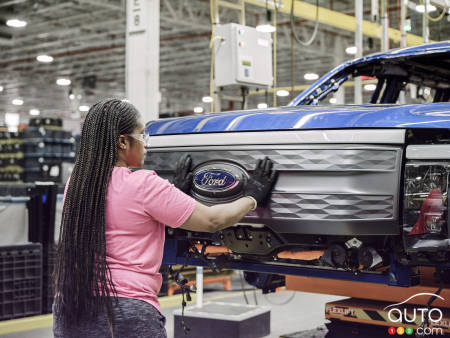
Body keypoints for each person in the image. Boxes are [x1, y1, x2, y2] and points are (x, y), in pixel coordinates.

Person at [52, 98, 277, 338]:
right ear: (122, 142)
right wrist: (252, 196)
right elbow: (213, 220)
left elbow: (127, 218)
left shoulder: (75, 186)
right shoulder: (142, 183)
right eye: (142, 136)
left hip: (71, 306)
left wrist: (175, 194)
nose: (146, 145)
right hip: (126, 311)